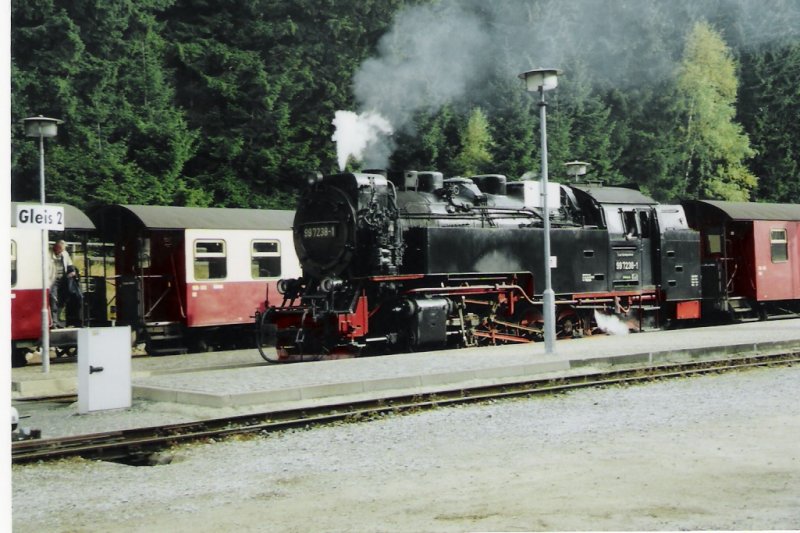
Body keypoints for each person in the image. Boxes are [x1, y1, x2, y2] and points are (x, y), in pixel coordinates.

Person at [48, 240, 83, 327]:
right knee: (54, 299)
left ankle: (58, 320)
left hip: (64, 279)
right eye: (60, 249)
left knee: (62, 300)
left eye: (62, 249)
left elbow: (70, 265)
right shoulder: (48, 254)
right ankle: (54, 322)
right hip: (52, 280)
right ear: (56, 247)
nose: (61, 251)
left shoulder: (65, 254)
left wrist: (72, 272)